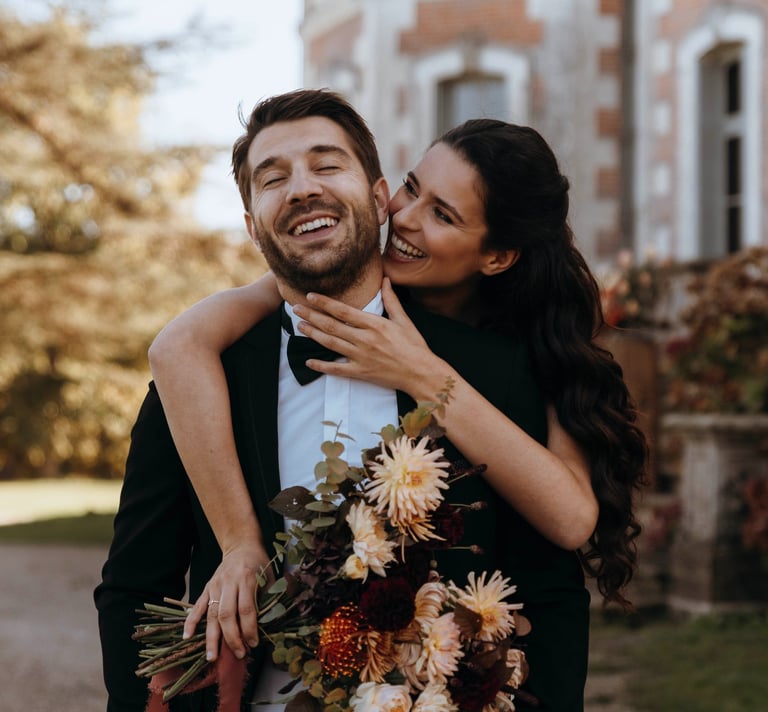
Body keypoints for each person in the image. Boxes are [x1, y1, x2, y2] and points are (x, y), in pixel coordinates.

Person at [94, 89, 572, 712]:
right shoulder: (197, 384)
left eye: (326, 165)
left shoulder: (492, 372)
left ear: (378, 199)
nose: (300, 189)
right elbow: (134, 587)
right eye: (273, 179)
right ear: (251, 225)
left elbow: (549, 589)